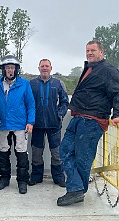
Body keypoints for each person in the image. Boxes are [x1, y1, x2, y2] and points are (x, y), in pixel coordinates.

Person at [57, 40, 119, 206]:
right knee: (64, 151)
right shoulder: (91, 68)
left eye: (93, 50)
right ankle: (77, 187)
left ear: (101, 52)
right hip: (78, 118)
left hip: (91, 121)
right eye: (87, 50)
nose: (89, 53)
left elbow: (117, 92)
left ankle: (76, 191)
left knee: (83, 159)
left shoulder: (108, 70)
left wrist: (117, 114)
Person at [0, 55, 35, 194]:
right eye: (7, 68)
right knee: (3, 152)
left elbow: (31, 104)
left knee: (21, 152)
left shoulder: (24, 84)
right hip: (3, 124)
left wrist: (30, 122)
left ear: (16, 69)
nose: (10, 70)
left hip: (20, 124)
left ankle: (22, 181)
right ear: (3, 70)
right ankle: (4, 179)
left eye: (12, 68)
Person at [28, 59, 69, 188]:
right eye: (42, 66)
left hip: (54, 125)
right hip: (37, 125)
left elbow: (65, 102)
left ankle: (58, 177)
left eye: (47, 66)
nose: (44, 68)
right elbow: (28, 103)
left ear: (51, 68)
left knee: (56, 153)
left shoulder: (58, 83)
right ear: (38, 68)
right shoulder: (32, 84)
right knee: (36, 152)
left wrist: (59, 114)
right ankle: (36, 176)